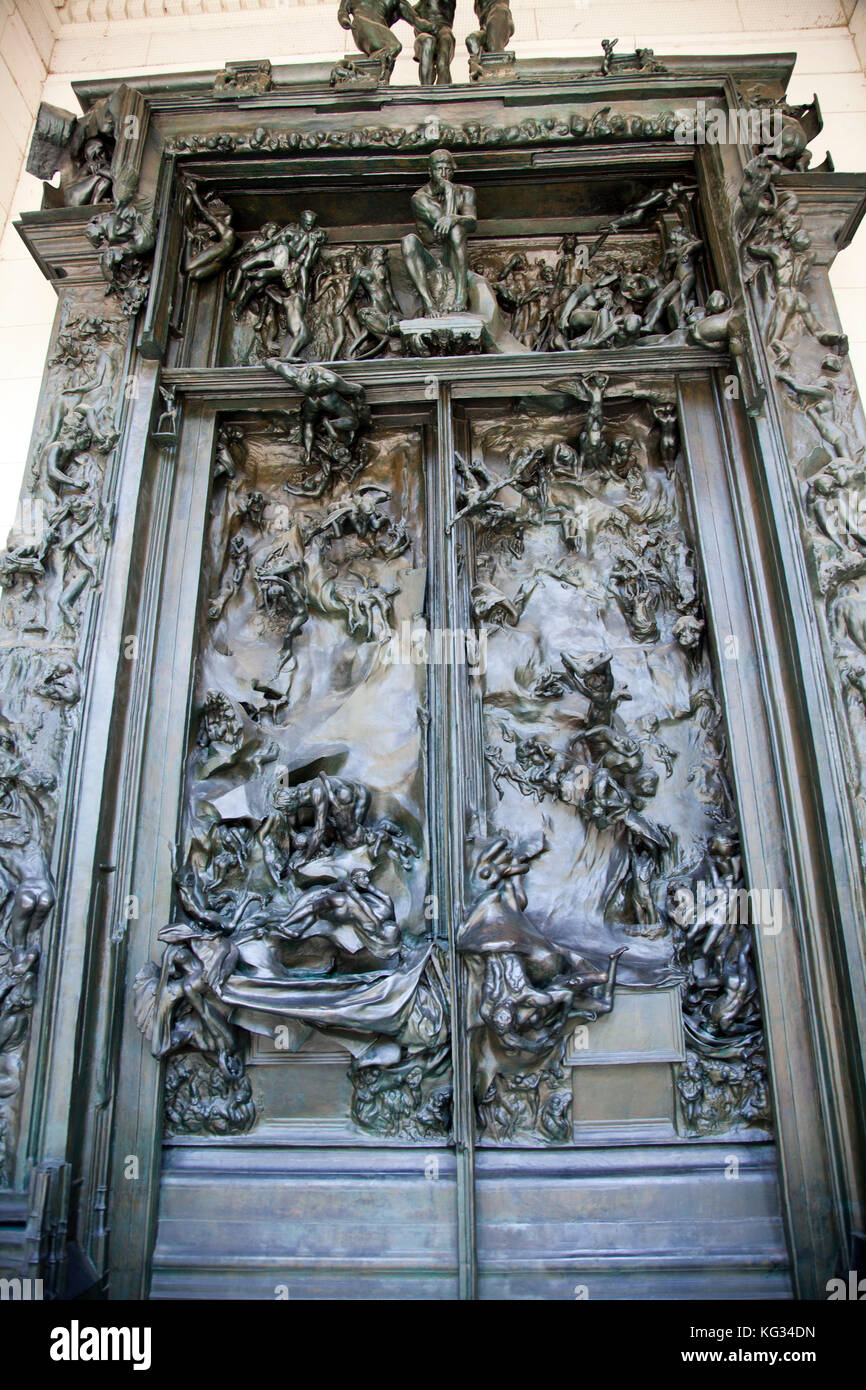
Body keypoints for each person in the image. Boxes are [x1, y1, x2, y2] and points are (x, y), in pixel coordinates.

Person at [402, 149, 477, 314]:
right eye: (439, 169)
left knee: (457, 229)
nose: (443, 174)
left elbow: (472, 223)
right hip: (431, 257)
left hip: (452, 253)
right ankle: (428, 302)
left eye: (448, 169)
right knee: (408, 241)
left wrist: (455, 218)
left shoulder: (466, 192)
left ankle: (460, 295)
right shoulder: (419, 198)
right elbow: (442, 225)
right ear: (430, 171)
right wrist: (449, 192)